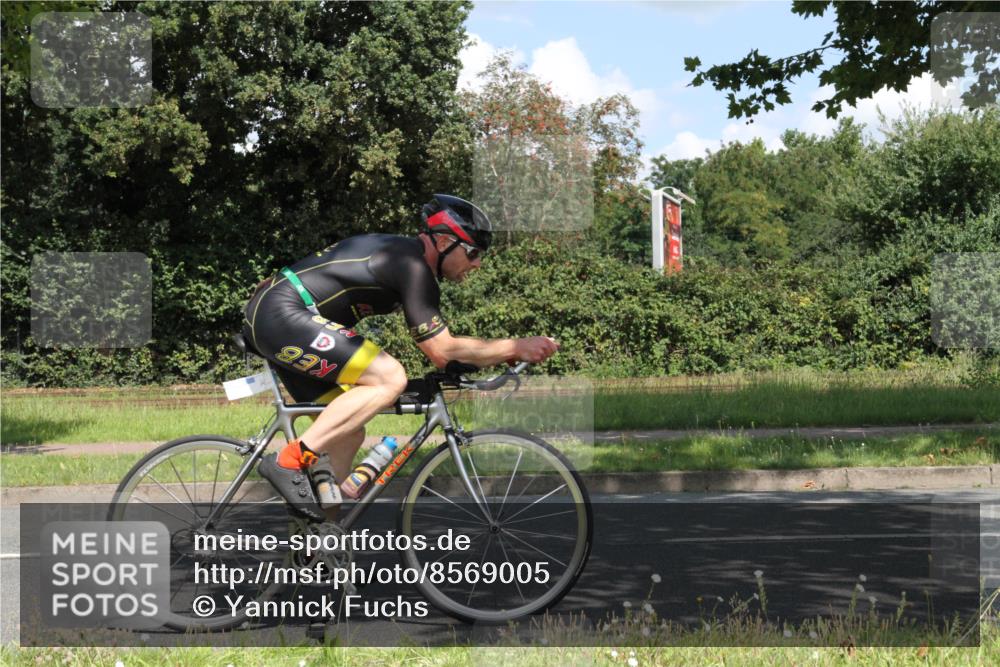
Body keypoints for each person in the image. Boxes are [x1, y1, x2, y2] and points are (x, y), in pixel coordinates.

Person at [242, 194, 559, 516]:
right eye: (473, 252)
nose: (477, 263)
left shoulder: (407, 259)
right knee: (390, 377)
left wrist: (495, 356)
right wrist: (515, 347)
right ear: (446, 241)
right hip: (282, 313)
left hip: (280, 315)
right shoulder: (411, 265)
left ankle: (315, 549)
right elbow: (442, 350)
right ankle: (287, 461)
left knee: (348, 432)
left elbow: (443, 350)